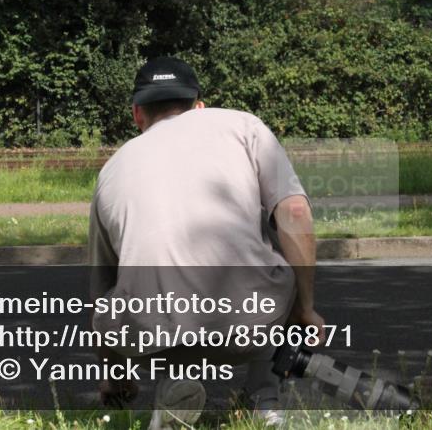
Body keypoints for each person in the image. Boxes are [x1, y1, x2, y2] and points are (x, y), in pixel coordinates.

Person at [88, 56, 324, 428]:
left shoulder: (111, 170)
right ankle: (264, 402)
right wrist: (306, 308)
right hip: (250, 324)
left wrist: (116, 379)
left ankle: (176, 385)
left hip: (151, 339)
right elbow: (295, 211)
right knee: (280, 233)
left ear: (137, 114)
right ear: (199, 106)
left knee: (133, 283)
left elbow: (102, 289)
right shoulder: (242, 126)